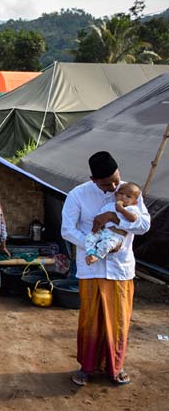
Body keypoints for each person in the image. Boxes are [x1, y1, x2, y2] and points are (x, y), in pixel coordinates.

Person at [62, 151, 150, 387]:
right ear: (93, 180)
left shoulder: (130, 191)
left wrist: (115, 215)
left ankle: (115, 367)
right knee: (90, 320)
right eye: (106, 183)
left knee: (119, 321)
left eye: (115, 179)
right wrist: (95, 247)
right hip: (91, 268)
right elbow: (67, 230)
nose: (113, 186)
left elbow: (143, 225)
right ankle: (86, 368)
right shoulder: (78, 195)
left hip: (120, 268)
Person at [85, 182, 142, 265]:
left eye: (128, 196)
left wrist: (122, 210)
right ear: (116, 195)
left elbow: (133, 219)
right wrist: (96, 226)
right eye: (121, 193)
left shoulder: (132, 209)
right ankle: (90, 251)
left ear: (134, 202)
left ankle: (97, 255)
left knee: (107, 244)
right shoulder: (110, 206)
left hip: (117, 235)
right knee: (90, 237)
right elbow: (99, 217)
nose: (123, 197)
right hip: (104, 231)